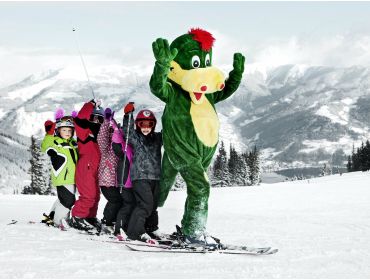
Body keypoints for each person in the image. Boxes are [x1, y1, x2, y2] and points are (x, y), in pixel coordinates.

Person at [119, 103, 163, 242]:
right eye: (142, 124)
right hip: (140, 177)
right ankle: (135, 232)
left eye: (149, 124)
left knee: (153, 205)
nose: (145, 127)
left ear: (153, 125)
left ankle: (151, 228)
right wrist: (128, 116)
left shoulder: (157, 138)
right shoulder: (136, 138)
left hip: (155, 177)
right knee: (145, 205)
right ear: (138, 125)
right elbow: (127, 132)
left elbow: (170, 133)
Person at [69, 99, 104, 232]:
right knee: (88, 195)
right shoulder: (84, 132)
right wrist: (90, 104)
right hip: (85, 168)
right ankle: (77, 216)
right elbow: (80, 119)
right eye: (94, 118)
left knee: (96, 196)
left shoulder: (100, 137)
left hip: (95, 170)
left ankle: (90, 217)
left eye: (100, 120)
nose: (97, 122)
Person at [41, 109, 78, 228]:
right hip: (63, 177)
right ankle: (58, 221)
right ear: (58, 131)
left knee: (63, 199)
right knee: (68, 201)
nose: (67, 132)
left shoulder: (72, 143)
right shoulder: (56, 143)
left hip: (71, 178)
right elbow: (45, 146)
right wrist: (49, 134)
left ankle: (51, 216)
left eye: (69, 130)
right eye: (64, 130)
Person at [97, 107, 122, 232]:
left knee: (118, 201)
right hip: (107, 181)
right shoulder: (106, 147)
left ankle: (112, 222)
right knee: (115, 201)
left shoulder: (120, 146)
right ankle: (107, 223)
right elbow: (102, 138)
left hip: (116, 182)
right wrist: (107, 122)